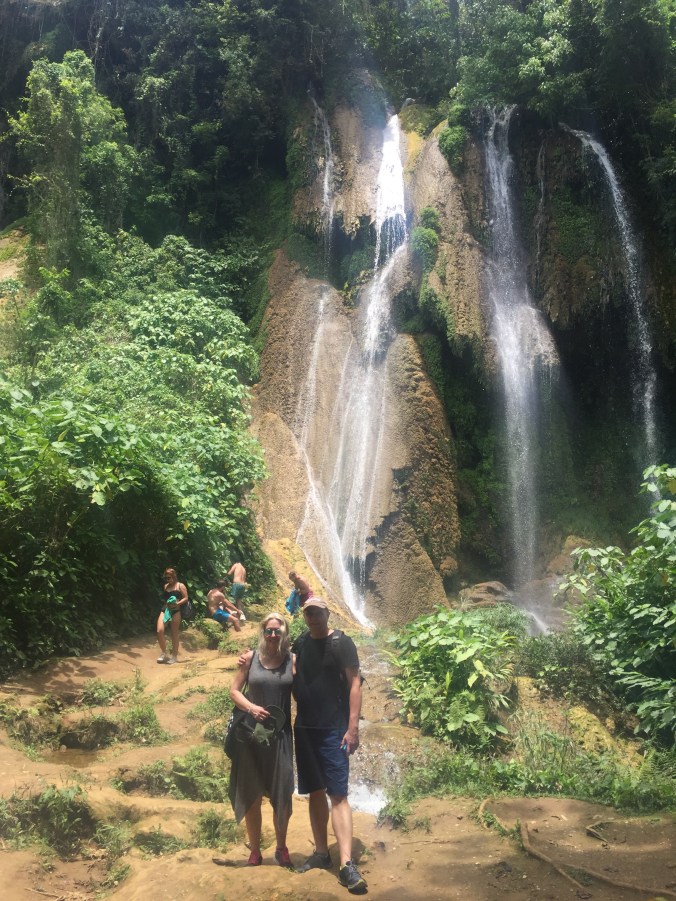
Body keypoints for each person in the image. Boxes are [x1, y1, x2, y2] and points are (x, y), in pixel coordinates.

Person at [293, 598, 367, 894]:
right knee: (315, 791)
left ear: (328, 613)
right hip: (305, 729)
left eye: (318, 612)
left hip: (334, 730)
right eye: (309, 612)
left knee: (338, 794)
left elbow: (355, 684)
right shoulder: (300, 643)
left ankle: (347, 863)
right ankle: (322, 853)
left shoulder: (342, 643)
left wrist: (352, 728)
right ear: (305, 616)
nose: (313, 616)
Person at [229, 613, 295, 867]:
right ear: (263, 632)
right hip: (251, 735)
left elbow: (306, 689)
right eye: (269, 630)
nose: (273, 635)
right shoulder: (250, 659)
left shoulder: (292, 661)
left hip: (280, 736)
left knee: (282, 792)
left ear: (284, 633)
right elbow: (234, 691)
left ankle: (281, 847)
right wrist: (251, 708)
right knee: (252, 793)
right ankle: (255, 851)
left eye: (278, 631)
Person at [156, 567, 188, 664]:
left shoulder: (180, 585)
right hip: (165, 609)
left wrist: (177, 604)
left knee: (174, 633)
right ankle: (164, 653)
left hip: (175, 610)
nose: (167, 580)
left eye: (169, 577)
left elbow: (186, 598)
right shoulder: (166, 586)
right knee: (159, 630)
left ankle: (174, 656)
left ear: (174, 576)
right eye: (166, 578)